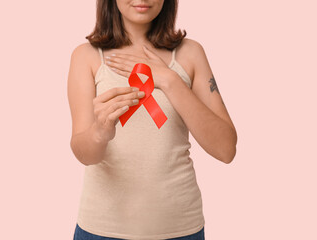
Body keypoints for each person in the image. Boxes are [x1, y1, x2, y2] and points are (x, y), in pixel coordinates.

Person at [67, 0, 237, 239]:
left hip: (180, 228)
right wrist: (100, 132)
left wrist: (170, 80)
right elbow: (84, 154)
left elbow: (226, 149)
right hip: (103, 228)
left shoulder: (191, 53)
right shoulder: (87, 56)